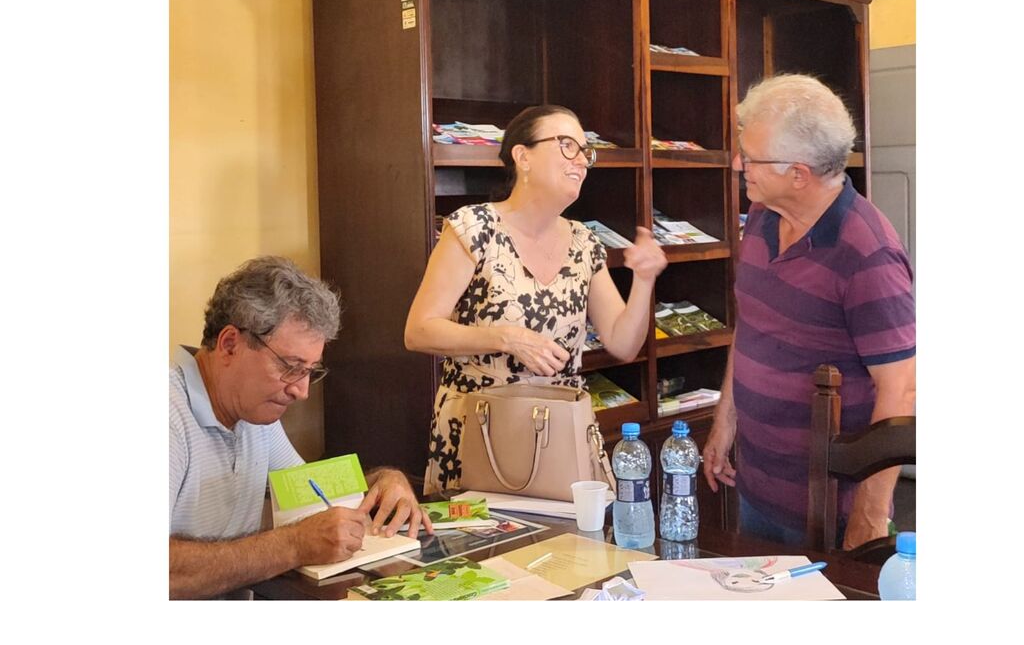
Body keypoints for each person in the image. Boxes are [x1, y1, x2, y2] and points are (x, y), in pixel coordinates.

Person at [405, 104, 668, 494]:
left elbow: (623, 344)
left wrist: (644, 280)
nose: (581, 160)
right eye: (566, 145)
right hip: (480, 430)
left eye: (585, 151)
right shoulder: (473, 227)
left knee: (572, 551)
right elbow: (419, 331)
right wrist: (506, 338)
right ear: (522, 156)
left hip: (558, 434)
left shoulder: (584, 241)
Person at [702, 74, 916, 550]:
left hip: (831, 509)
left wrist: (870, 516)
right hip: (756, 485)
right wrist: (726, 420)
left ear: (799, 174)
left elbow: (901, 391)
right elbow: (753, 324)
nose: (739, 165)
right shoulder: (763, 214)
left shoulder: (868, 255)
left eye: (751, 158)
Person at [170, 256, 432, 599]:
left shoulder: (254, 414)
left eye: (310, 371)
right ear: (230, 344)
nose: (301, 391)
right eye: (290, 367)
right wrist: (293, 545)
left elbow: (313, 492)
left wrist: (384, 483)